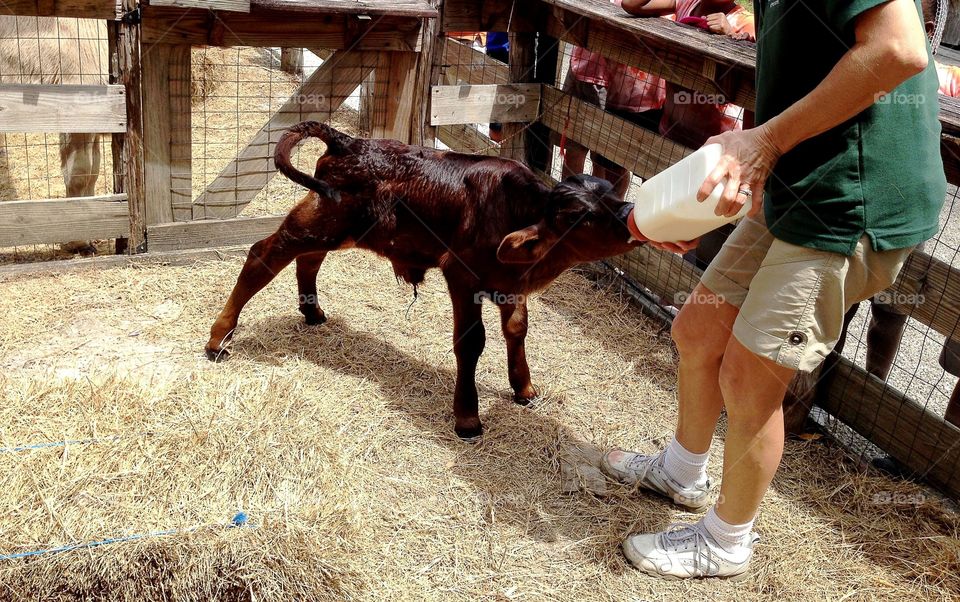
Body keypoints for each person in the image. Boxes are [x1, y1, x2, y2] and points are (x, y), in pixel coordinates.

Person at [606, 0, 945, 580]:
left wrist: (765, 142)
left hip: (848, 201)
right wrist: (690, 210)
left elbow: (899, 48)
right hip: (800, 179)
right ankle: (684, 471)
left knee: (750, 373)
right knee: (698, 329)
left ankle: (726, 541)